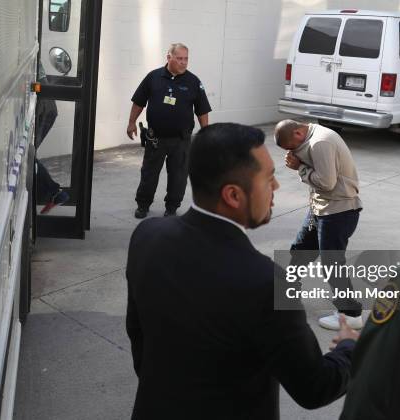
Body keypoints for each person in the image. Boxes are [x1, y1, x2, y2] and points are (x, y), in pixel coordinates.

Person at [126, 123, 359, 420]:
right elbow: (315, 388)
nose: (275, 188)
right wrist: (350, 348)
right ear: (233, 195)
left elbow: (139, 338)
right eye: (268, 179)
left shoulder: (146, 236)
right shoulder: (266, 282)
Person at [274, 119, 363, 330]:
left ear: (297, 133)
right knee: (300, 250)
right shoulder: (311, 135)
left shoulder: (320, 143)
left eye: (291, 147)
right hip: (320, 209)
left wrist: (300, 168)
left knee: (332, 263)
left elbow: (326, 182)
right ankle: (289, 294)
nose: (292, 153)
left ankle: (350, 314)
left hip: (338, 212)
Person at [126, 43, 211, 218]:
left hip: (181, 140)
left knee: (178, 177)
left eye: (186, 59)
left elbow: (202, 110)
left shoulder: (193, 81)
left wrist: (206, 134)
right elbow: (139, 102)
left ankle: (171, 208)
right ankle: (143, 205)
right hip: (155, 138)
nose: (183, 62)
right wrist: (131, 122)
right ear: (169, 57)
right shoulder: (153, 77)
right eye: (179, 58)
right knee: (149, 174)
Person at [35, 63, 69, 214]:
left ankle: (54, 193)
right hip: (44, 107)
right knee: (29, 157)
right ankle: (53, 194)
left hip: (44, 108)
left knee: (28, 158)